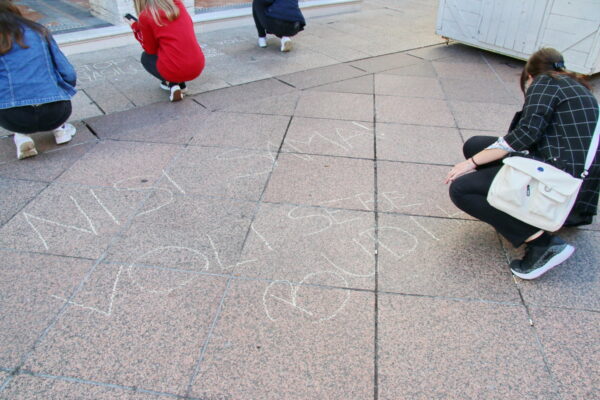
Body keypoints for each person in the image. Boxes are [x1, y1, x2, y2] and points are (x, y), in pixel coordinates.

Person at [445, 48, 599, 280]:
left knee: (461, 189)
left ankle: (542, 243)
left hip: (559, 185)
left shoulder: (545, 82)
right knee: (476, 145)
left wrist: (471, 164)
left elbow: (526, 134)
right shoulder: (572, 85)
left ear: (529, 76)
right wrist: (479, 155)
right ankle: (512, 201)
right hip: (574, 183)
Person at [0, 0, 77, 160]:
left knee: (13, 102)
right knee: (51, 95)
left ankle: (21, 136)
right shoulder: (38, 31)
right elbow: (68, 73)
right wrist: (63, 92)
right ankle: (60, 129)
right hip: (56, 111)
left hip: (12, 117)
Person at [127, 0, 205, 102]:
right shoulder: (178, 4)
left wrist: (136, 28)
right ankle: (179, 85)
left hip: (175, 68)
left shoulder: (146, 16)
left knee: (146, 58)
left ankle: (172, 82)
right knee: (172, 51)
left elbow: (150, 50)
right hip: (197, 65)